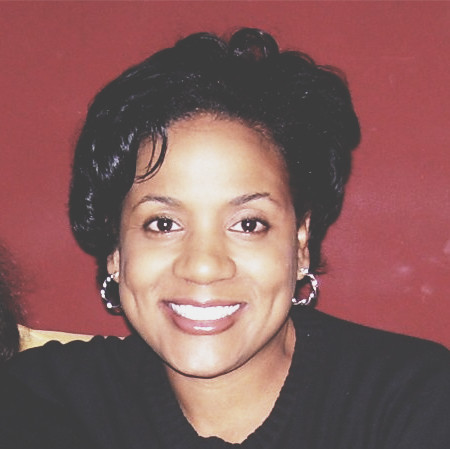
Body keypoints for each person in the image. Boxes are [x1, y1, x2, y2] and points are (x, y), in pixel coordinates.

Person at [0, 28, 449, 448]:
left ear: (300, 243)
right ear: (116, 249)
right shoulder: (42, 401)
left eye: (248, 224)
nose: (203, 265)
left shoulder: (411, 402)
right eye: (163, 223)